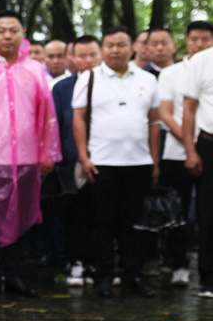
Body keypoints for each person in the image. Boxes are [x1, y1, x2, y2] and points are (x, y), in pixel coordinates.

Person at [0, 11, 60, 299]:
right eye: (2, 30)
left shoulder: (35, 70)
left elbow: (47, 116)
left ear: (23, 33)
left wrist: (48, 152)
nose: (7, 36)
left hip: (28, 157)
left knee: (24, 216)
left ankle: (17, 275)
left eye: (13, 30)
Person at [72, 27, 160, 298]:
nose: (115, 50)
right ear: (103, 47)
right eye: (109, 45)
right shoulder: (90, 78)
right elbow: (79, 119)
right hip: (102, 162)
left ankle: (134, 276)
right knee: (103, 222)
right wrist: (84, 157)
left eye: (121, 45)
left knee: (134, 223)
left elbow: (154, 122)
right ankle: (104, 277)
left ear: (132, 47)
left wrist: (154, 161)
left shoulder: (147, 79)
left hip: (139, 162)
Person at [158, 21, 213, 287]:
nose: (200, 44)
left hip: (201, 147)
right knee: (185, 211)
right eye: (195, 39)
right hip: (187, 148)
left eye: (206, 39)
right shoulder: (178, 71)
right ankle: (184, 266)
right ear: (186, 41)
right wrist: (190, 145)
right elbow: (173, 112)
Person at [51, 37, 101, 286]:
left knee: (101, 214)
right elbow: (56, 125)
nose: (87, 60)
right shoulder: (61, 88)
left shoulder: (107, 84)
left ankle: (98, 262)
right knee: (74, 215)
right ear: (71, 58)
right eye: (81, 56)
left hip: (105, 159)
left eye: (92, 54)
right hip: (70, 162)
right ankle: (75, 261)